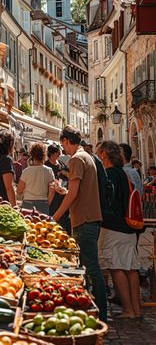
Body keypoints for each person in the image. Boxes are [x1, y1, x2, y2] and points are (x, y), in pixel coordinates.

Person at [53, 126, 107, 323]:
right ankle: (92, 312)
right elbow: (77, 191)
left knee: (92, 269)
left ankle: (101, 315)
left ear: (67, 141)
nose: (63, 149)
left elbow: (74, 193)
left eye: (62, 144)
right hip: (90, 217)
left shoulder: (76, 159)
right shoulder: (88, 157)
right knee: (89, 268)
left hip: (84, 220)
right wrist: (63, 193)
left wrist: (56, 216)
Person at [97, 141, 141, 319]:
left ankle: (128, 310)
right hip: (128, 227)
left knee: (116, 267)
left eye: (100, 152)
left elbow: (108, 201)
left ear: (105, 153)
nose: (99, 156)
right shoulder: (123, 173)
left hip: (114, 227)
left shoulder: (109, 174)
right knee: (130, 268)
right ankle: (136, 310)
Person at [17, 143, 55, 214]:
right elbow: (52, 191)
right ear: (44, 155)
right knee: (42, 224)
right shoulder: (49, 170)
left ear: (31, 155)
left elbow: (19, 191)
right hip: (43, 203)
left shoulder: (26, 171)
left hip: (27, 203)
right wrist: (47, 204)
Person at [46, 144, 71, 234]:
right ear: (52, 154)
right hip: (52, 198)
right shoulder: (46, 166)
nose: (60, 153)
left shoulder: (61, 164)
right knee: (52, 218)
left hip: (63, 196)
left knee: (63, 219)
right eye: (58, 152)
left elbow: (70, 175)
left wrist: (64, 173)